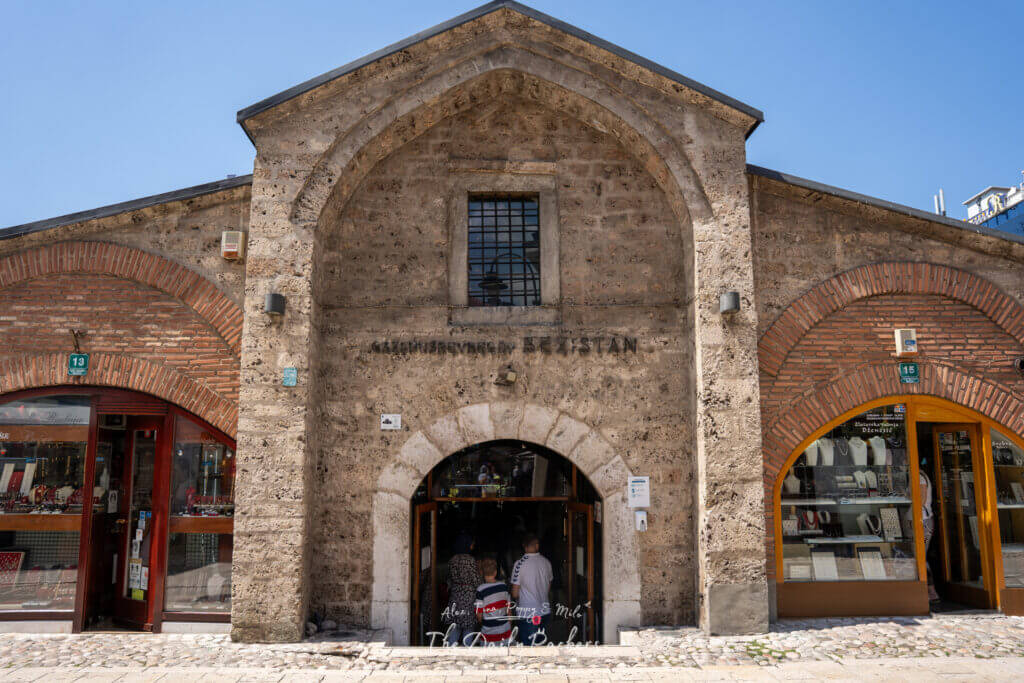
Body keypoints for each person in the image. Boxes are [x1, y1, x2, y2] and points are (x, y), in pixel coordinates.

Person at [510, 532, 553, 645]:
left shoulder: (519, 564)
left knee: (528, 649)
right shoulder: (546, 562)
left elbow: (514, 593)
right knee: (540, 646)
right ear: (537, 545)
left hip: (528, 612)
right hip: (544, 610)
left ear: (524, 546)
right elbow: (548, 587)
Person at [444, 532, 482, 646]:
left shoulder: (452, 560)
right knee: (468, 627)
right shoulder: (470, 560)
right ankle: (467, 649)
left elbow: (448, 579)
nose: (473, 545)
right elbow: (476, 581)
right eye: (471, 543)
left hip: (455, 595)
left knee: (455, 625)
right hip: (469, 597)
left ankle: (451, 648)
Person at [474, 556, 512, 645]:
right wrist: (509, 625)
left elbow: (479, 615)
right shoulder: (503, 586)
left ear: (482, 573)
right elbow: (509, 609)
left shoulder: (480, 590)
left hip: (489, 632)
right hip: (505, 630)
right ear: (495, 572)